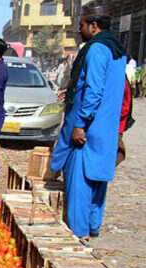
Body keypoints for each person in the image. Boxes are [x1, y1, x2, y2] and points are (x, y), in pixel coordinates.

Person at [50, 5, 126, 240]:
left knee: (79, 185)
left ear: (93, 26)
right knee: (97, 183)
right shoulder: (118, 50)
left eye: (81, 26)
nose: (79, 30)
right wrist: (71, 90)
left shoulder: (96, 50)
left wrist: (80, 124)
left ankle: (78, 234)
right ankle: (93, 227)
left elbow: (94, 91)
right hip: (106, 130)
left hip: (87, 132)